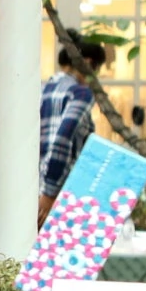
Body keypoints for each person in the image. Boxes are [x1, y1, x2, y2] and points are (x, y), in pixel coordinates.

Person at [38, 37, 104, 215]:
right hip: (60, 192)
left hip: (31, 187)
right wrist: (49, 192)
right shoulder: (80, 93)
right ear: (89, 63)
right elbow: (63, 138)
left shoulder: (40, 89)